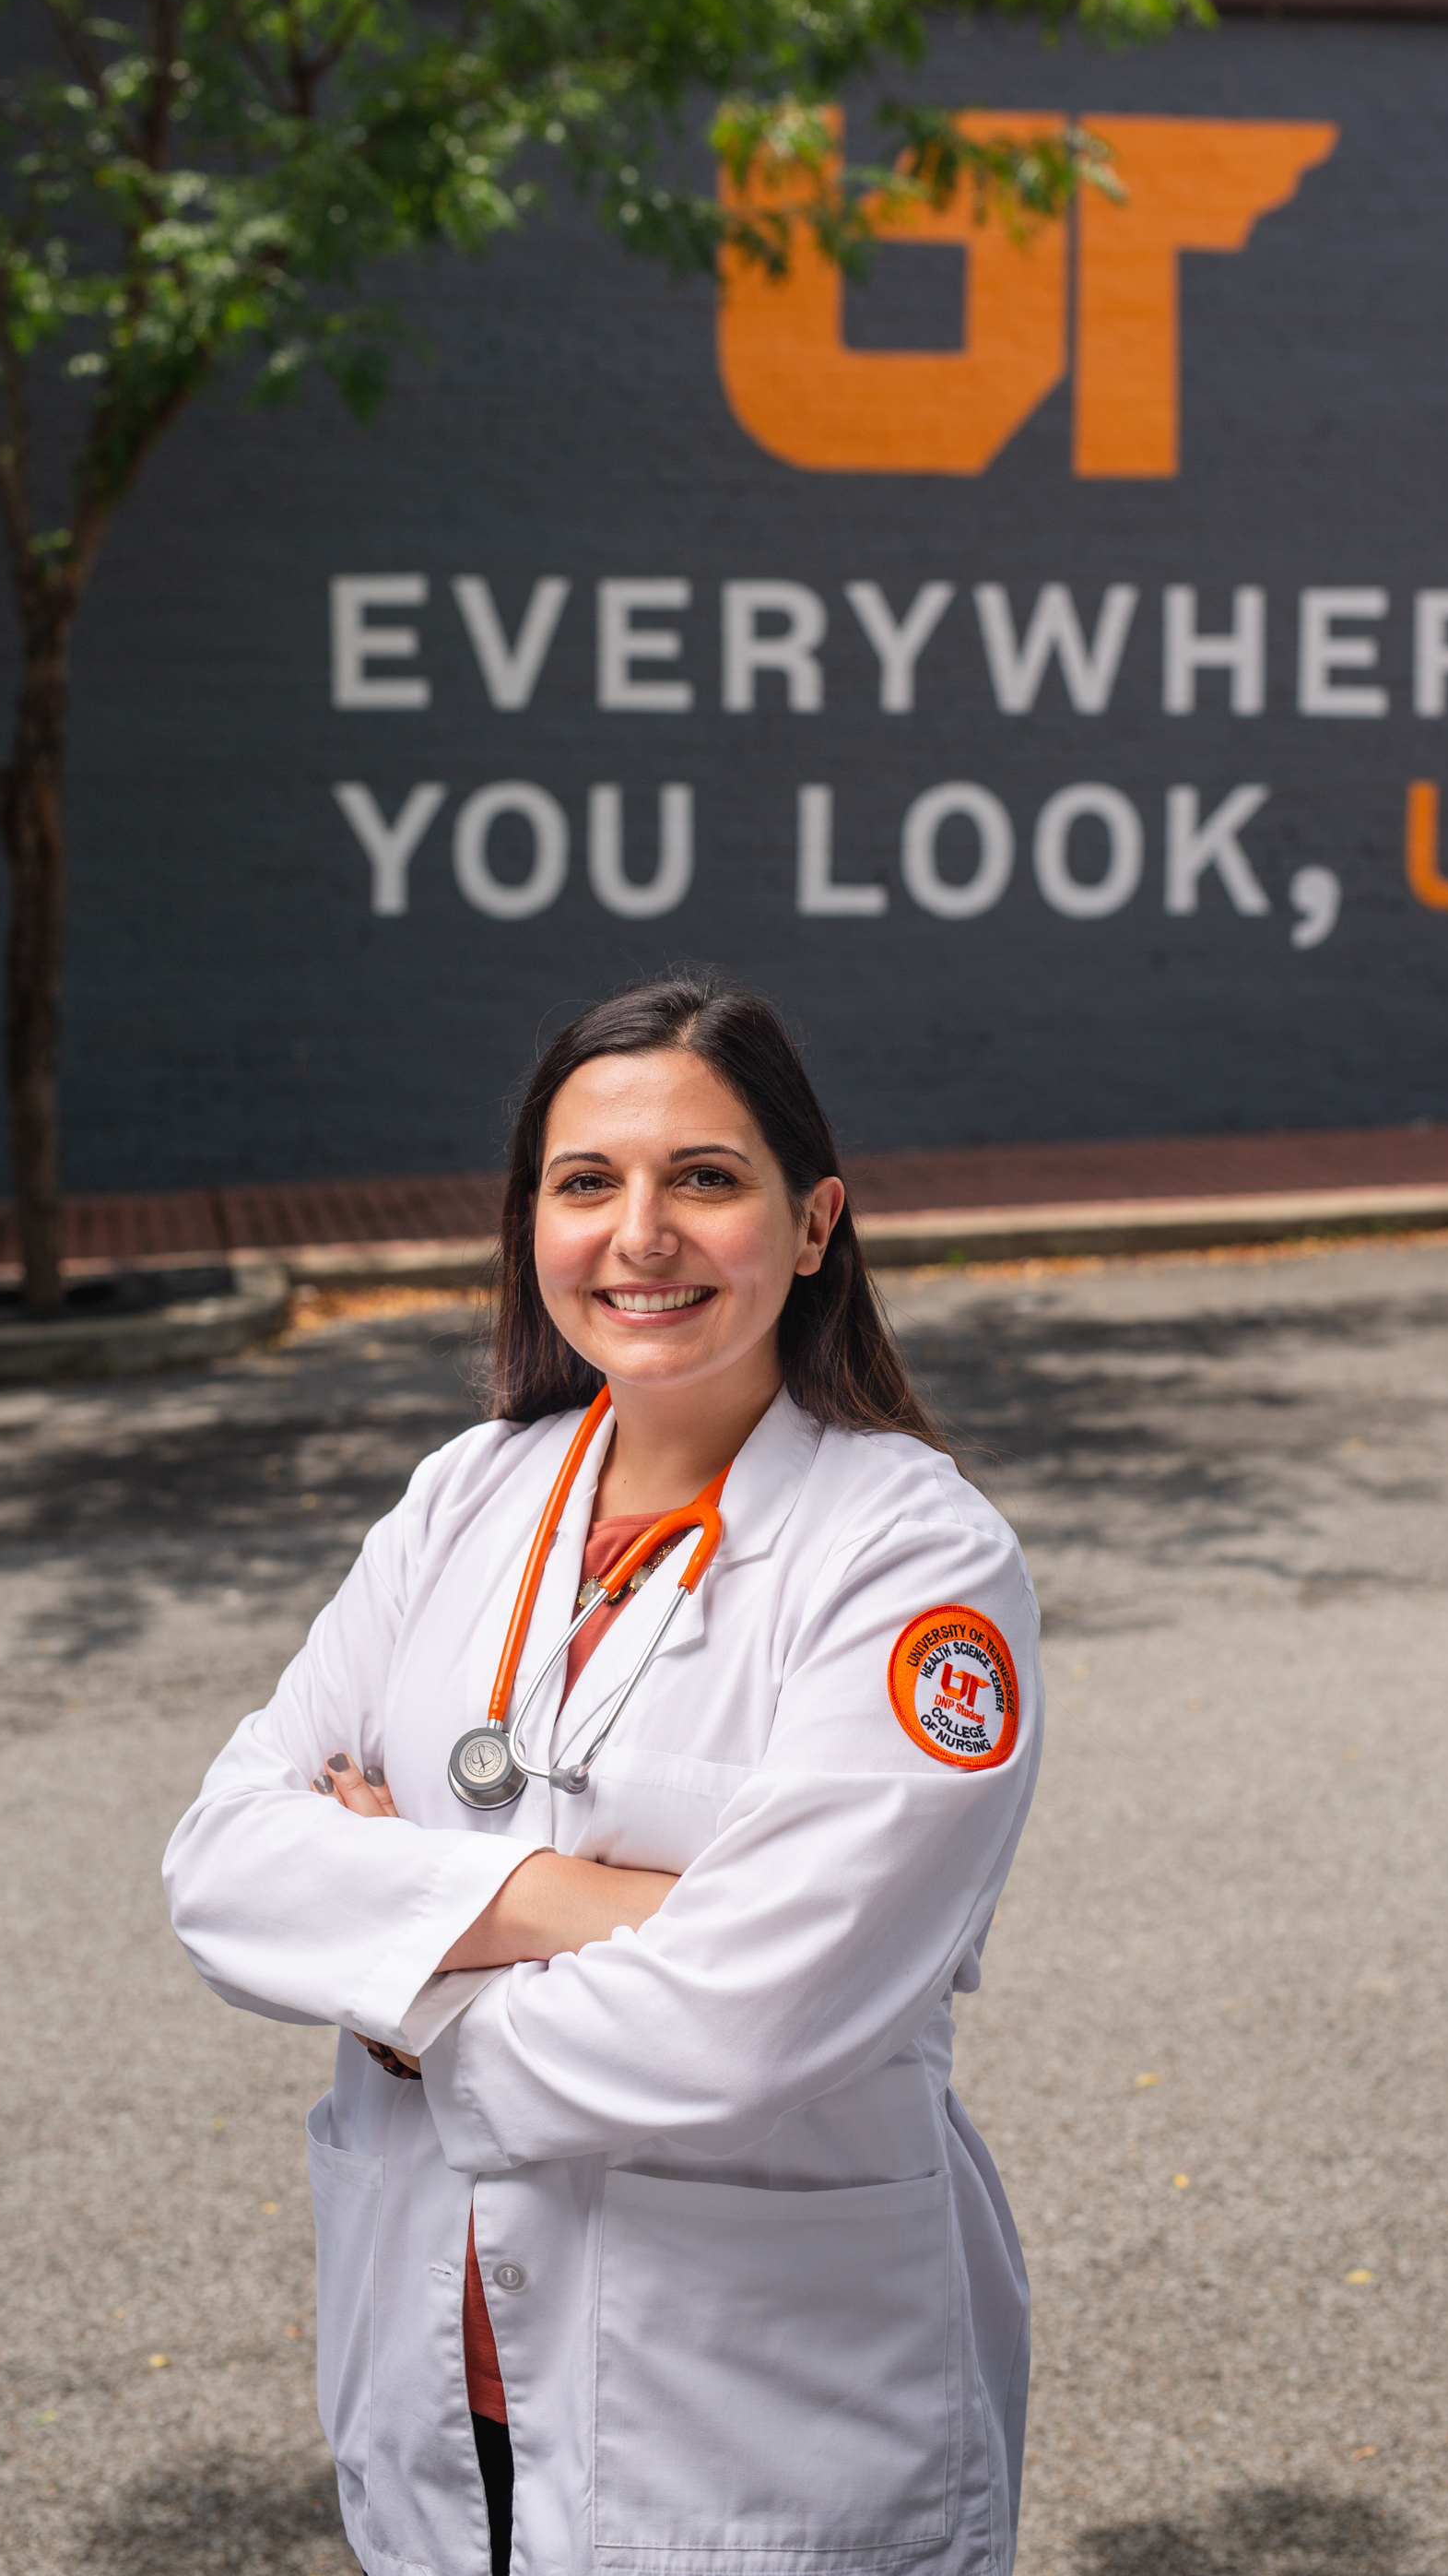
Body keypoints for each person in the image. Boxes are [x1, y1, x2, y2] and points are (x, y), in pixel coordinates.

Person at [163, 972, 1042, 2576]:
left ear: (813, 1221)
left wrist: (404, 1993)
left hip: (756, 2404)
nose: (641, 1233)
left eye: (705, 1178)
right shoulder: (465, 1497)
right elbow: (224, 1860)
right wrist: (599, 1904)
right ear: (533, 1224)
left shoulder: (913, 1561)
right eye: (587, 1183)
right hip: (438, 2368)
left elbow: (756, 2008)